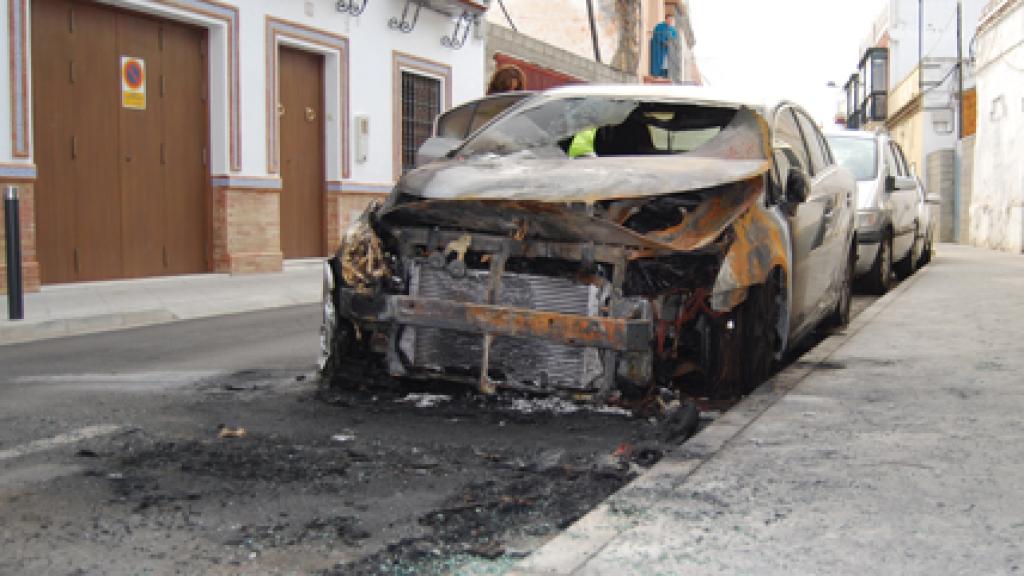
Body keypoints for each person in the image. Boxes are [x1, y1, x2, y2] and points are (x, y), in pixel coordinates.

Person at [650, 13, 678, 78]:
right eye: (669, 19)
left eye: (671, 20)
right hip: (659, 48)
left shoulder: (673, 29)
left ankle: (666, 75)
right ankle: (657, 74)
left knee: (667, 63)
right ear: (666, 19)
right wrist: (664, 41)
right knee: (659, 61)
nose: (670, 21)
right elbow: (656, 36)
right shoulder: (659, 26)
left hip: (668, 49)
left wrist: (672, 43)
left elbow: (675, 38)